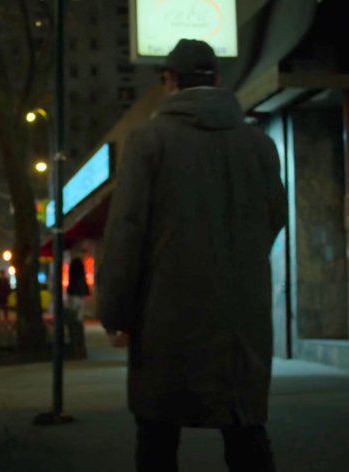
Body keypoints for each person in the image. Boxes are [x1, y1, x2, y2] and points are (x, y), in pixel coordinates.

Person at [97, 39, 287, 472]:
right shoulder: (257, 144)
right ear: (218, 81)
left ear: (169, 82)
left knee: (159, 436)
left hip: (166, 317)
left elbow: (126, 233)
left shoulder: (149, 140)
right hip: (241, 319)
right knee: (245, 431)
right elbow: (274, 217)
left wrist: (116, 313)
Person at [66, 253, 90, 356]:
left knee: (74, 325)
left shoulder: (73, 280)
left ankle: (76, 349)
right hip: (79, 297)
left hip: (74, 298)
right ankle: (80, 350)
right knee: (78, 325)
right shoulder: (81, 278)